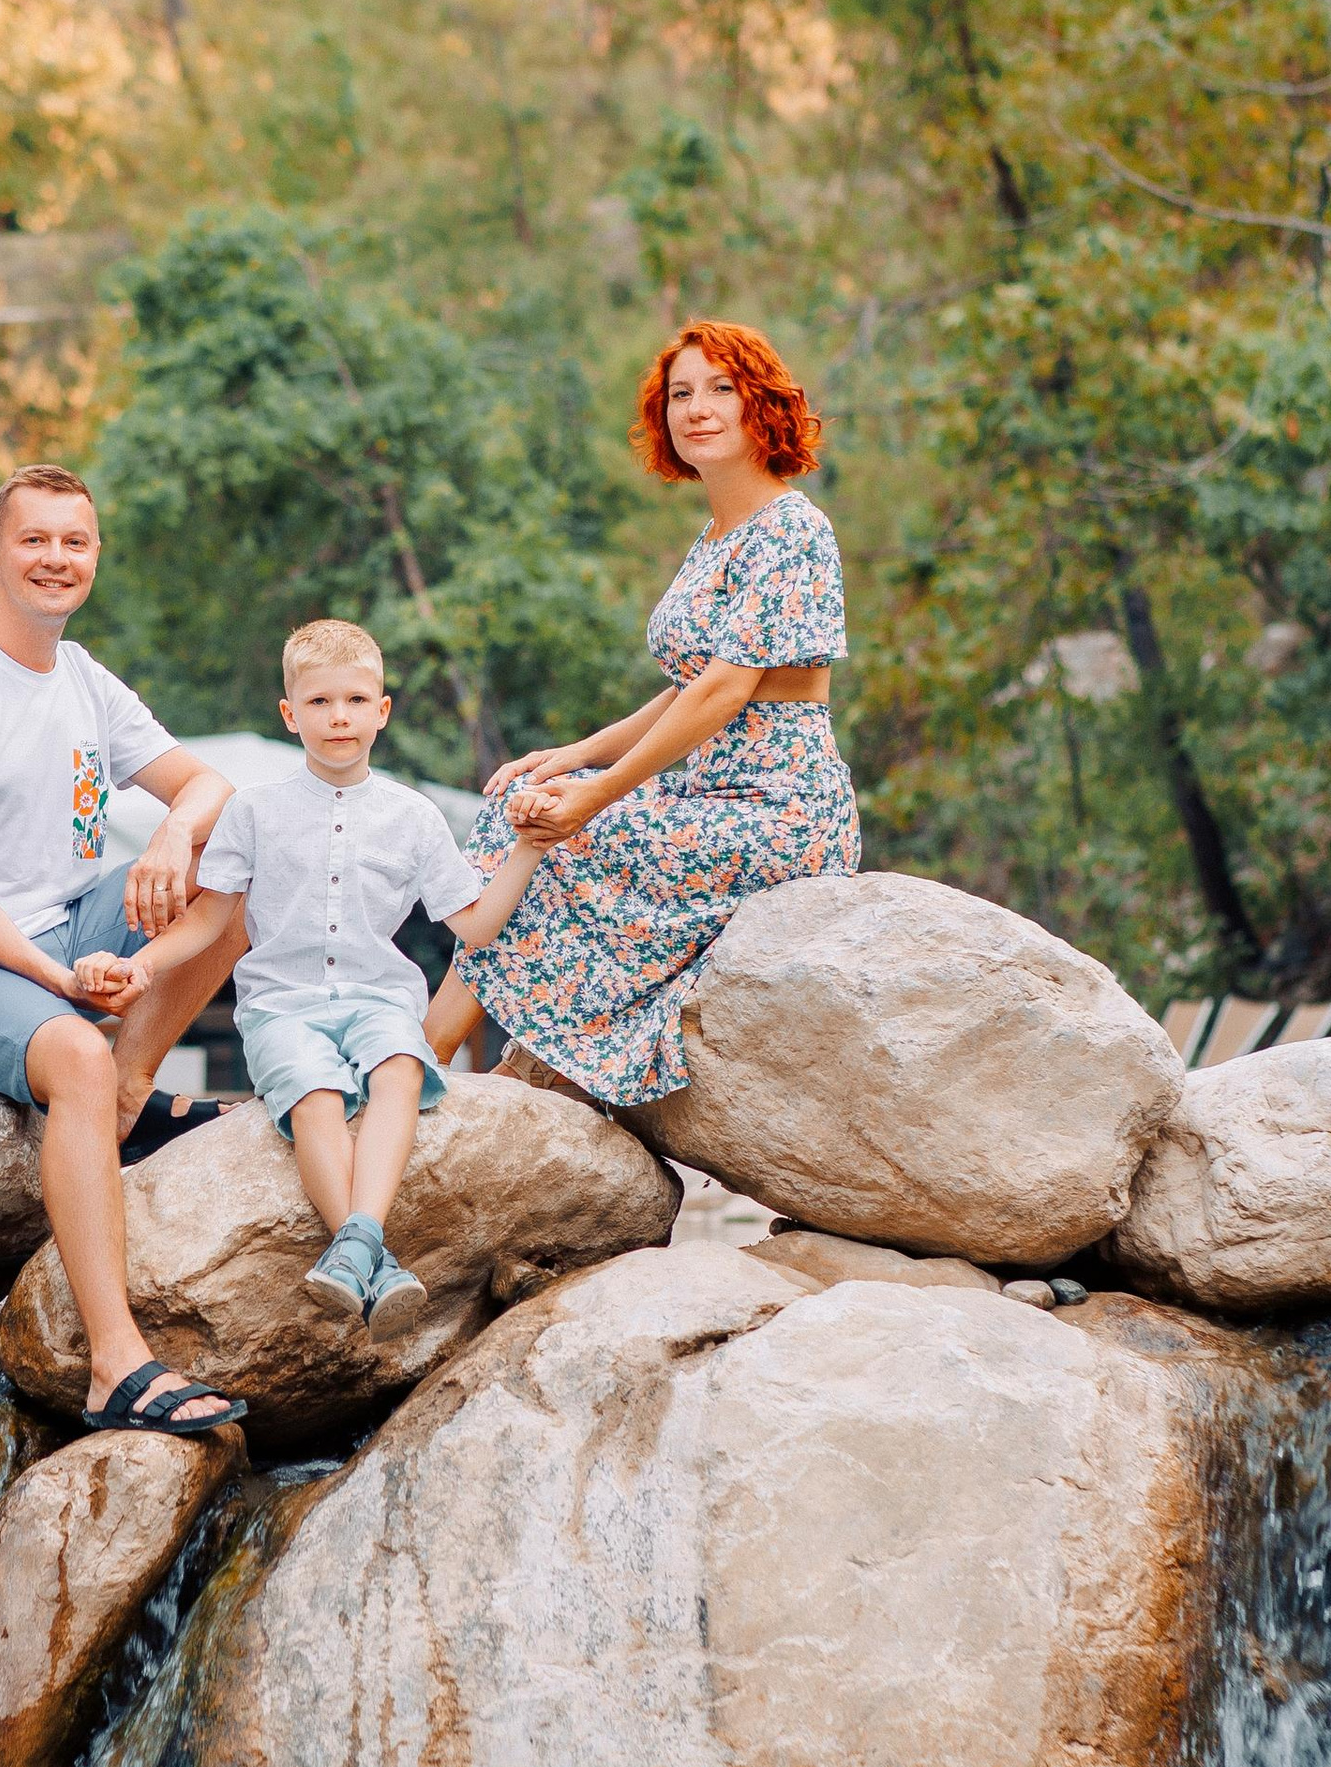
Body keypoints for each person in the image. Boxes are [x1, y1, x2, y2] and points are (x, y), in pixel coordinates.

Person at [0, 461, 249, 1436]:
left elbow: (209, 789)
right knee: (71, 1049)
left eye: (74, 541)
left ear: (94, 557)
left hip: (64, 929)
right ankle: (115, 1364)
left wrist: (170, 834)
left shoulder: (83, 682)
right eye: (34, 539)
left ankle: (124, 1099)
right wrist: (57, 980)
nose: (55, 558)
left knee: (241, 869)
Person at [426, 319, 860, 1104]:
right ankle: (499, 1061)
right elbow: (685, 685)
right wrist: (570, 758)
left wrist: (599, 792)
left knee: (552, 832)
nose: (697, 408)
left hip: (776, 810)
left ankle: (437, 1053)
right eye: (681, 395)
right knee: (522, 807)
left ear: (761, 404)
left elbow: (726, 691)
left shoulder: (794, 528)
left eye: (721, 390)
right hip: (702, 794)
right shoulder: (716, 534)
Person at [75, 619, 546, 1337]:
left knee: (399, 1069)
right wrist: (139, 965)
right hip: (281, 1007)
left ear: (381, 712)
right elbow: (209, 924)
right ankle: (374, 1258)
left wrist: (528, 851)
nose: (339, 717)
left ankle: (355, 1243)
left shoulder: (412, 817)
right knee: (316, 1094)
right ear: (291, 715)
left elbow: (476, 927)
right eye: (321, 703)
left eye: (357, 700)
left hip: (378, 998)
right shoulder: (253, 813)